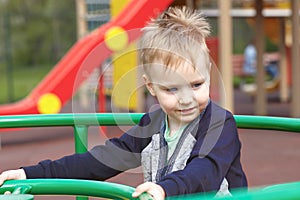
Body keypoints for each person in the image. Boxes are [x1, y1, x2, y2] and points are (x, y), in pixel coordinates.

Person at [0, 7, 247, 199]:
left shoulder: (219, 125)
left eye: (196, 85)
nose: (186, 99)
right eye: (171, 89)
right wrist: (29, 174)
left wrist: (164, 190)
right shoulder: (154, 124)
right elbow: (99, 161)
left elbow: (204, 172)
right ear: (151, 86)